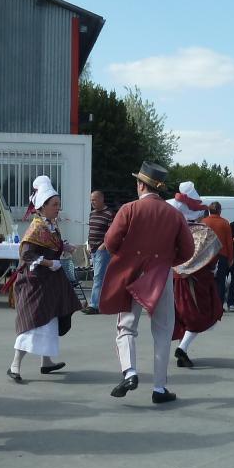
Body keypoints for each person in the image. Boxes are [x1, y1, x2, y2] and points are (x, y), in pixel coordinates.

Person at [99, 161, 193, 404]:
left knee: (126, 327)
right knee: (162, 332)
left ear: (141, 184)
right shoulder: (174, 214)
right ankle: (159, 389)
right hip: (162, 277)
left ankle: (130, 372)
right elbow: (187, 250)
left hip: (133, 276)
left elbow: (110, 243)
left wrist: (128, 258)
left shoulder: (129, 209)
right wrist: (167, 261)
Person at [8, 178, 82, 382]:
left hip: (49, 282)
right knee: (33, 324)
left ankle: (46, 362)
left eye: (58, 204)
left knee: (49, 321)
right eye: (55, 204)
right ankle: (14, 365)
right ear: (43, 206)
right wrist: (50, 263)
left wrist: (65, 247)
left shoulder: (50, 225)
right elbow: (26, 255)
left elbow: (51, 245)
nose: (58, 208)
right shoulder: (36, 227)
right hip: (35, 282)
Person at [170, 182, 225, 368]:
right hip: (198, 281)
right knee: (199, 315)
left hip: (175, 279)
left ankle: (181, 351)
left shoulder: (174, 231)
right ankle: (183, 349)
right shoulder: (204, 232)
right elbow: (213, 257)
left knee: (182, 316)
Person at [84, 189, 115, 314]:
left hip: (103, 250)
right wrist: (88, 244)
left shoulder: (109, 213)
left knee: (98, 277)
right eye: (91, 200)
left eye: (94, 200)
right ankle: (102, 303)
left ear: (102, 199)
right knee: (99, 277)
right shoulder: (92, 214)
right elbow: (91, 230)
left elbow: (112, 233)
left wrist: (104, 245)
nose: (92, 202)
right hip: (93, 249)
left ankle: (94, 305)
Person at [201, 200, 234, 311]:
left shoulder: (203, 222)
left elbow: (201, 241)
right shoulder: (225, 223)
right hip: (222, 255)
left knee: (206, 280)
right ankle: (219, 305)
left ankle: (207, 304)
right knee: (220, 281)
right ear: (219, 211)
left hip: (207, 257)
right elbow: (229, 242)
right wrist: (230, 258)